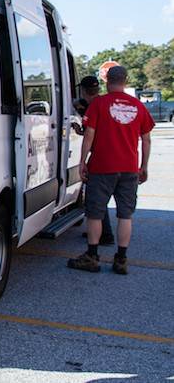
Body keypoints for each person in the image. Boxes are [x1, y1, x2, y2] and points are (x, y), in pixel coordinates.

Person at [67, 66, 154, 275]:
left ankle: (92, 256)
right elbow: (147, 138)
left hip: (102, 167)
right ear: (126, 80)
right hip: (129, 168)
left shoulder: (99, 103)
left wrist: (82, 161)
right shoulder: (138, 106)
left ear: (107, 81)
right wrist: (144, 166)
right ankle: (121, 260)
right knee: (125, 215)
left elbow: (89, 135)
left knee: (95, 213)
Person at [72, 75, 115, 245]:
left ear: (83, 90)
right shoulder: (105, 104)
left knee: (97, 200)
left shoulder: (92, 106)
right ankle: (103, 233)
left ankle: (103, 236)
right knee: (102, 200)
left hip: (101, 159)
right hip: (116, 157)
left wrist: (82, 161)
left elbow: (91, 134)